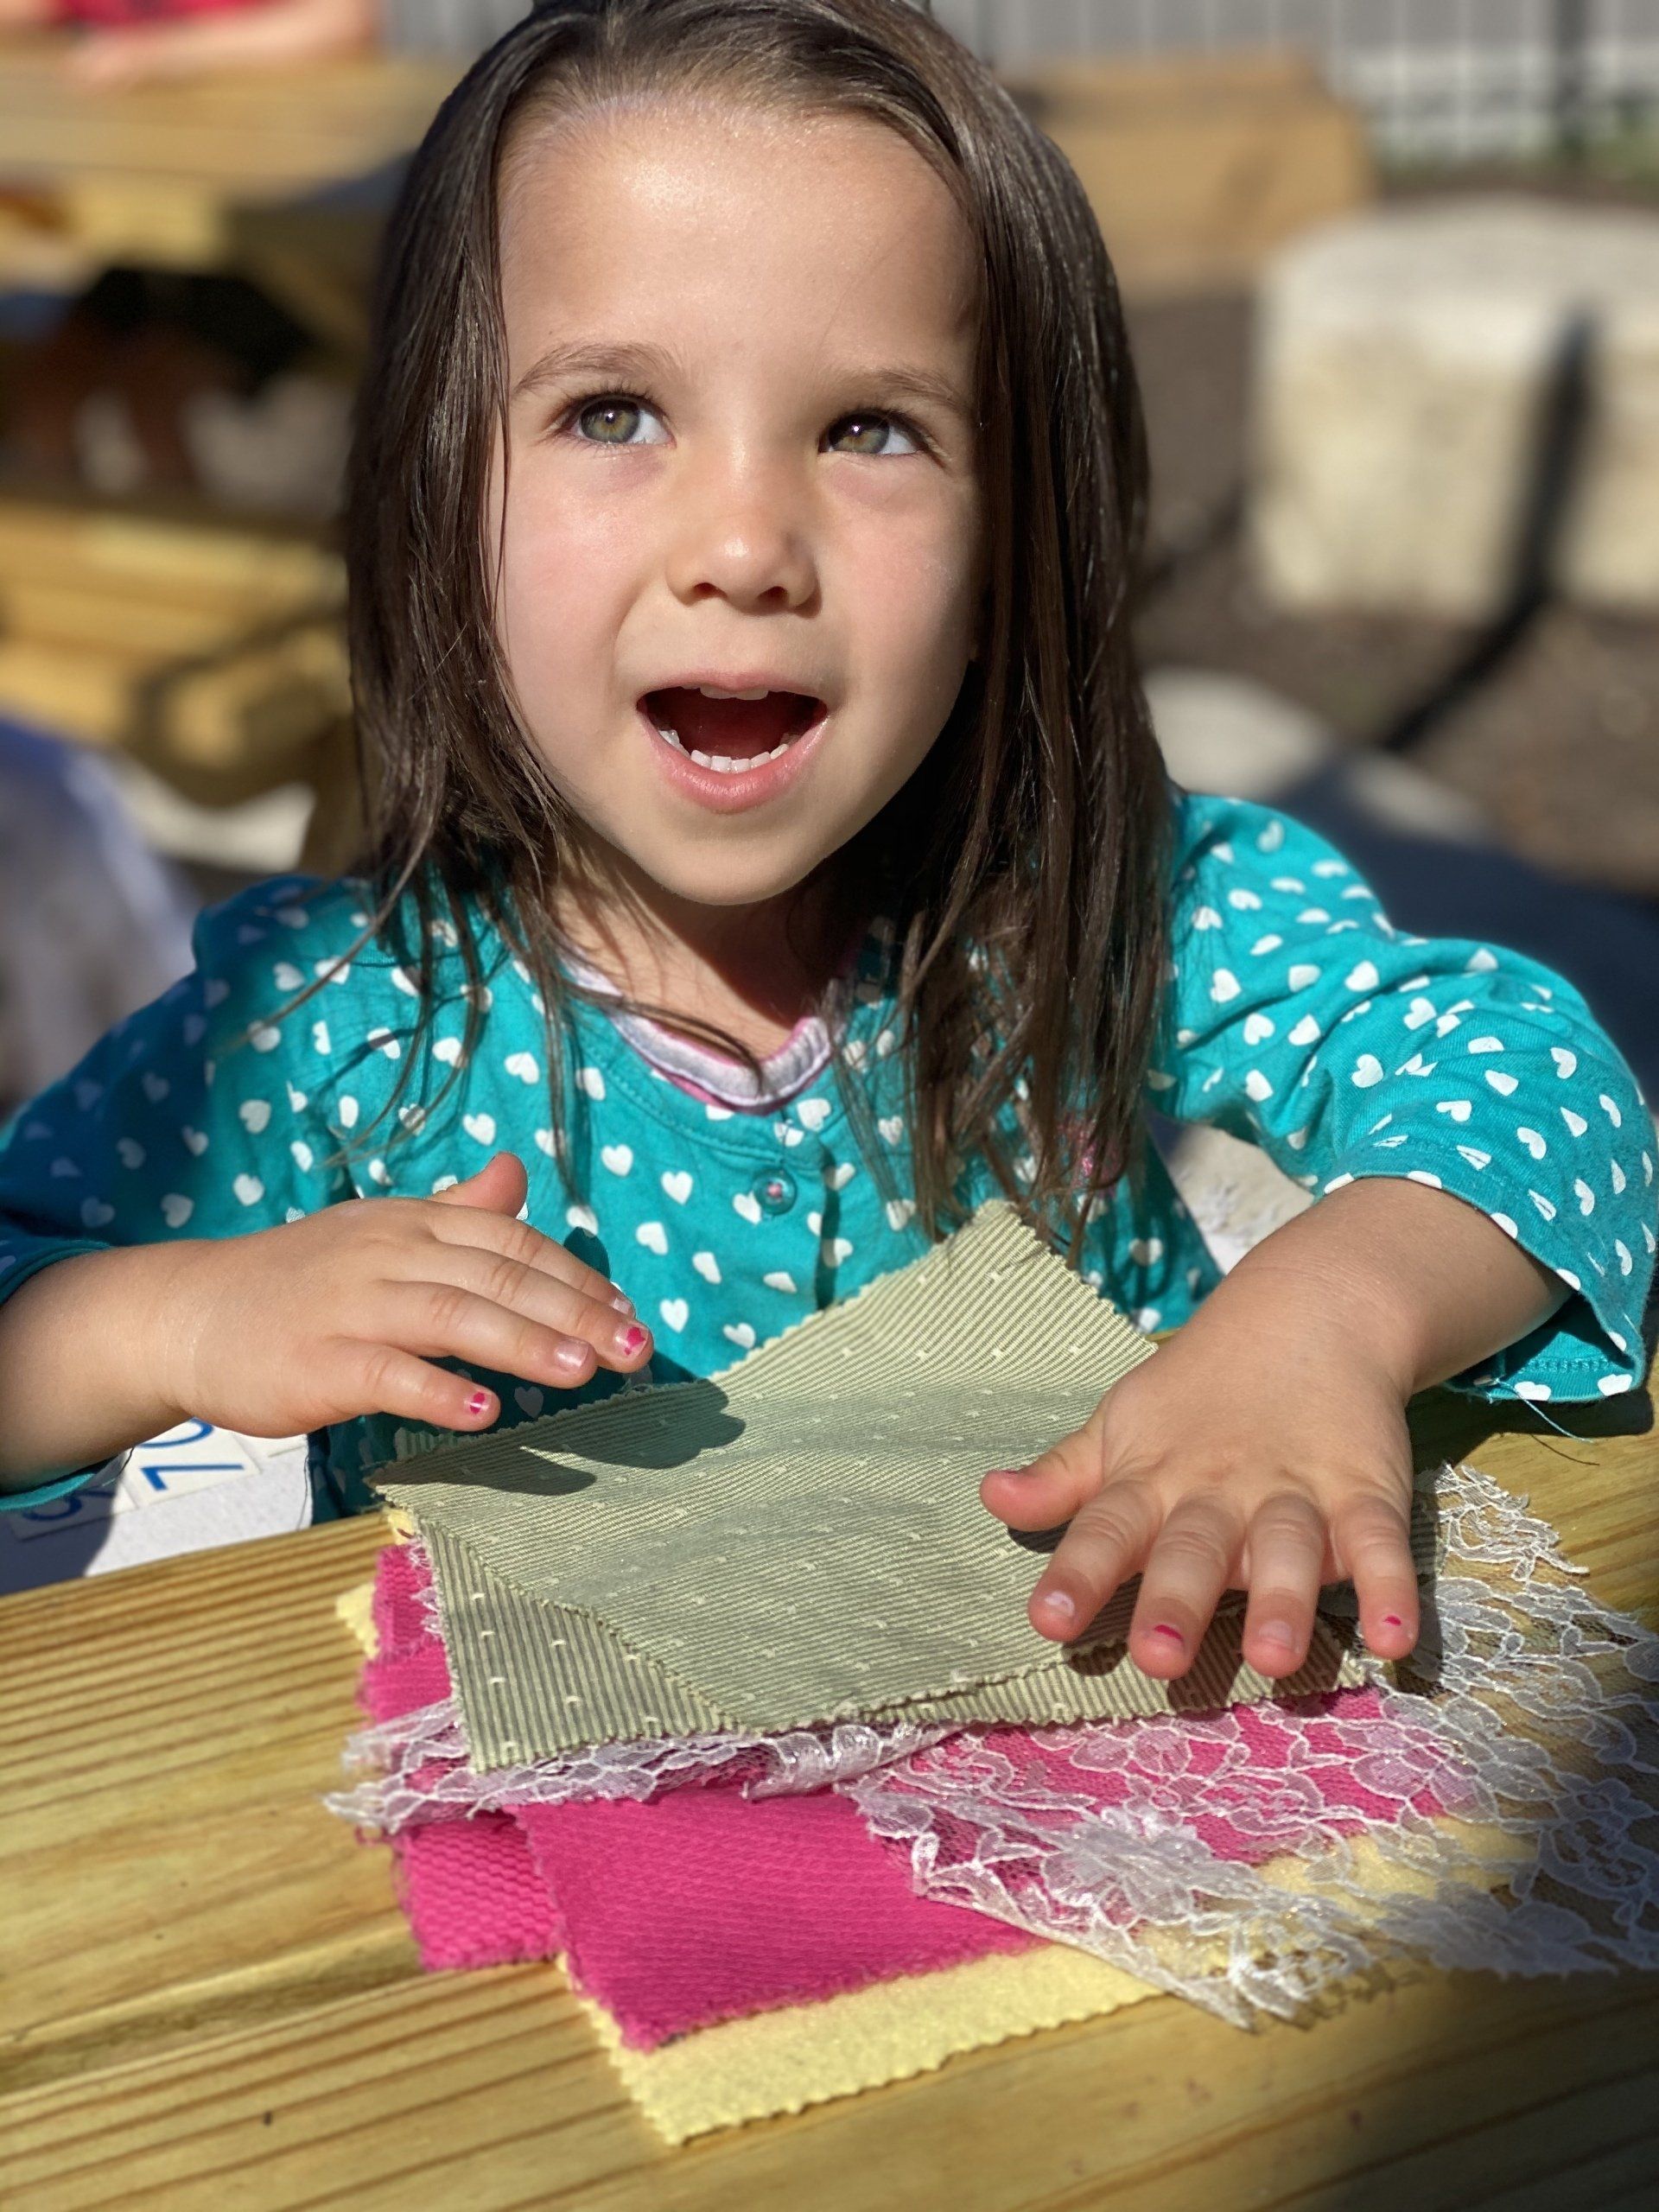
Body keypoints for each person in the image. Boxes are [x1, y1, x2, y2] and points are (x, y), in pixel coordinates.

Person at [0, 0, 1651, 1692]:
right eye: (614, 412)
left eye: (871, 428)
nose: (741, 543)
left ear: (1017, 533)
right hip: (557, 1893)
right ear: (437, 494)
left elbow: (1538, 1083)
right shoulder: (333, 1026)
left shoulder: (1080, 899)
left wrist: (1326, 1321)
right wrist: (184, 1315)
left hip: (1103, 1791)